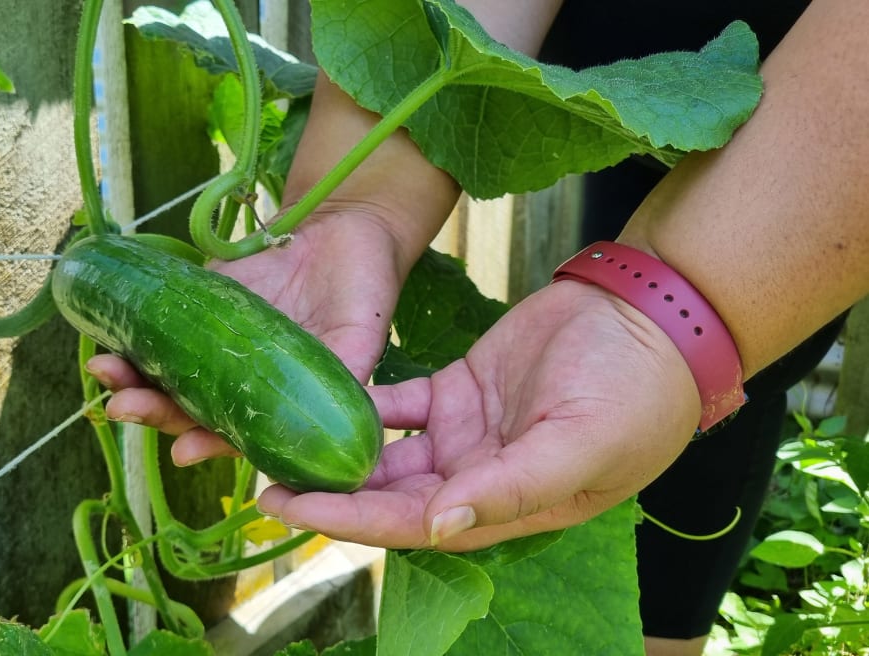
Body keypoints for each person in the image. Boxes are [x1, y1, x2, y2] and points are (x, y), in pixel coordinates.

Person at [85, 1, 869, 654]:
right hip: (635, 67)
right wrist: (364, 207)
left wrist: (681, 312)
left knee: (724, 391)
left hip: (832, 129)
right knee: (641, 360)